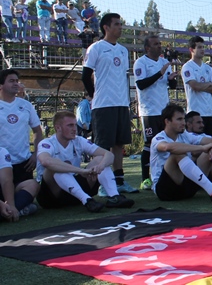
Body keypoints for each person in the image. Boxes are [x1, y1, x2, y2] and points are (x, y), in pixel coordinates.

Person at [82, 13, 138, 194]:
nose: (120, 27)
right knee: (103, 146)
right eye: (117, 24)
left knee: (119, 144)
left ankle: (119, 181)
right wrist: (94, 96)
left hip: (121, 103)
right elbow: (85, 76)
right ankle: (104, 185)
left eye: (121, 24)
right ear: (106, 27)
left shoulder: (123, 50)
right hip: (103, 105)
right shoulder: (96, 48)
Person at [36, 112, 134, 213]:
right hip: (52, 196)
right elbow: (45, 161)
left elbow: (109, 155)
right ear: (58, 128)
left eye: (75, 124)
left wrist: (100, 166)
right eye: (70, 125)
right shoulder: (47, 143)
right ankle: (86, 200)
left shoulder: (79, 140)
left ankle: (114, 196)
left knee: (100, 159)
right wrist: (81, 171)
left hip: (74, 191)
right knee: (57, 167)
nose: (74, 129)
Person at [150, 103, 212, 202]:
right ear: (167, 121)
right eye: (179, 119)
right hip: (165, 191)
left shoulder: (185, 135)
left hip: (187, 188)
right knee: (177, 154)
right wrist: (201, 148)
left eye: (183, 119)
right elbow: (168, 147)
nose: (183, 122)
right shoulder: (158, 138)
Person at [133, 34, 178, 190]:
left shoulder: (165, 63)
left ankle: (166, 174)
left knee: (167, 142)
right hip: (149, 110)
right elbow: (141, 84)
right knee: (150, 143)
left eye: (160, 43)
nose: (159, 46)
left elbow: (171, 86)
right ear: (147, 48)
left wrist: (172, 79)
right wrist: (160, 73)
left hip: (163, 110)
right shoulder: (141, 63)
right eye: (155, 44)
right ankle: (145, 178)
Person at [0, 69, 42, 220]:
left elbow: (38, 131)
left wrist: (35, 154)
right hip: (2, 165)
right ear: (1, 85)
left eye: (17, 81)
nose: (16, 84)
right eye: (11, 81)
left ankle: (9, 211)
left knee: (33, 186)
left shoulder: (26, 105)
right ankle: (17, 210)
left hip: (23, 164)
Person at [182, 36, 212, 137]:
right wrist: (208, 84)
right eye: (199, 47)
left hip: (210, 113)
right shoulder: (187, 67)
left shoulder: (208, 68)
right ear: (191, 50)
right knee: (197, 145)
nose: (202, 50)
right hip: (196, 113)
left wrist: (202, 86)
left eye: (203, 47)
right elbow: (195, 86)